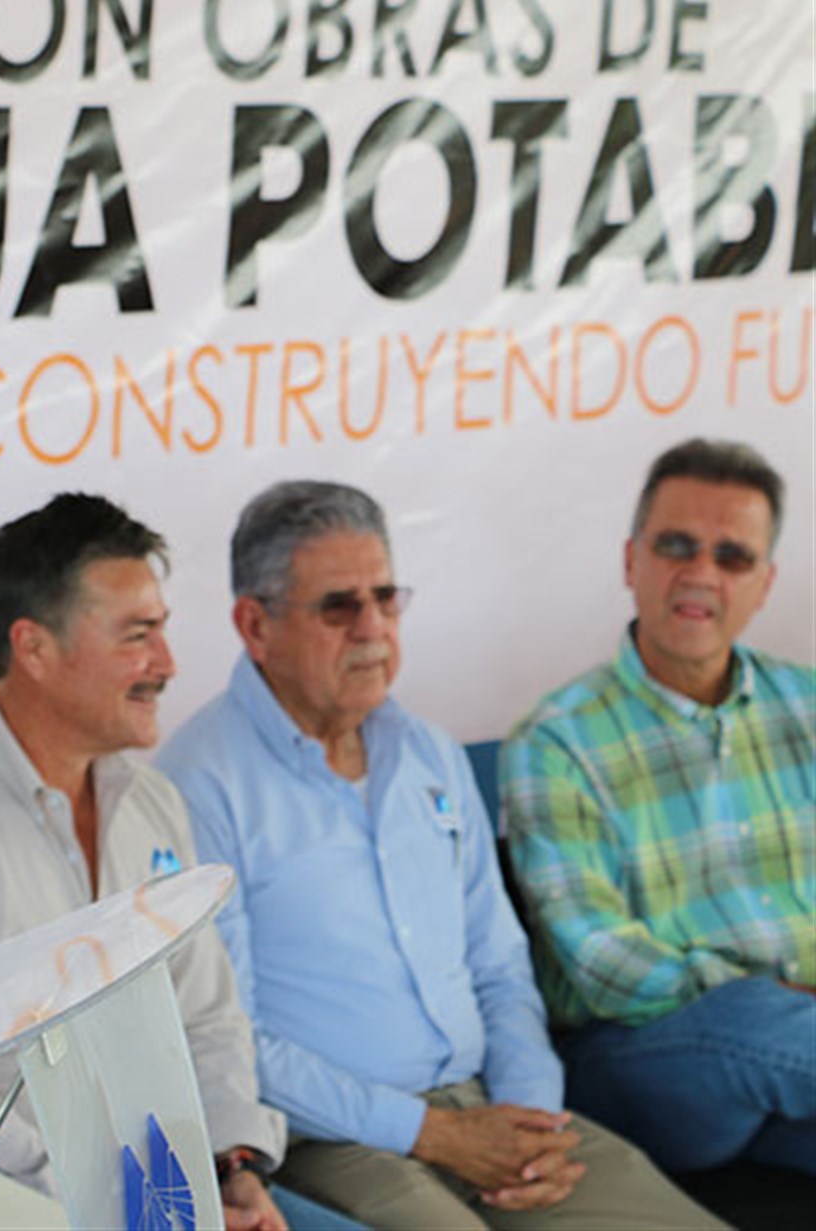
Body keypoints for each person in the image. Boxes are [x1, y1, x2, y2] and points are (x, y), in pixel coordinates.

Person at [158, 479, 719, 1230]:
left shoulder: (429, 754)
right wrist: (431, 1133)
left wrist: (529, 1114)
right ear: (254, 624)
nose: (373, 627)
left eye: (386, 598)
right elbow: (227, 1037)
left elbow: (499, 965)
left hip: (489, 1107)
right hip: (331, 1139)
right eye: (338, 605)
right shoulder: (194, 786)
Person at [0, 492, 361, 1231]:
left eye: (162, 632)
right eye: (137, 635)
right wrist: (144, 1206)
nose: (167, 663)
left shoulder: (152, 803)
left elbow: (208, 1018)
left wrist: (231, 1166)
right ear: (35, 649)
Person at [501, 438, 814, 1177]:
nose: (700, 572)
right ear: (630, 560)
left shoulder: (807, 705)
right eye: (676, 545)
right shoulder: (556, 742)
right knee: (749, 1015)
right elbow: (601, 962)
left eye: (732, 556)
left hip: (790, 1054)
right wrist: (765, 989)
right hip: (647, 1055)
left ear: (765, 583)